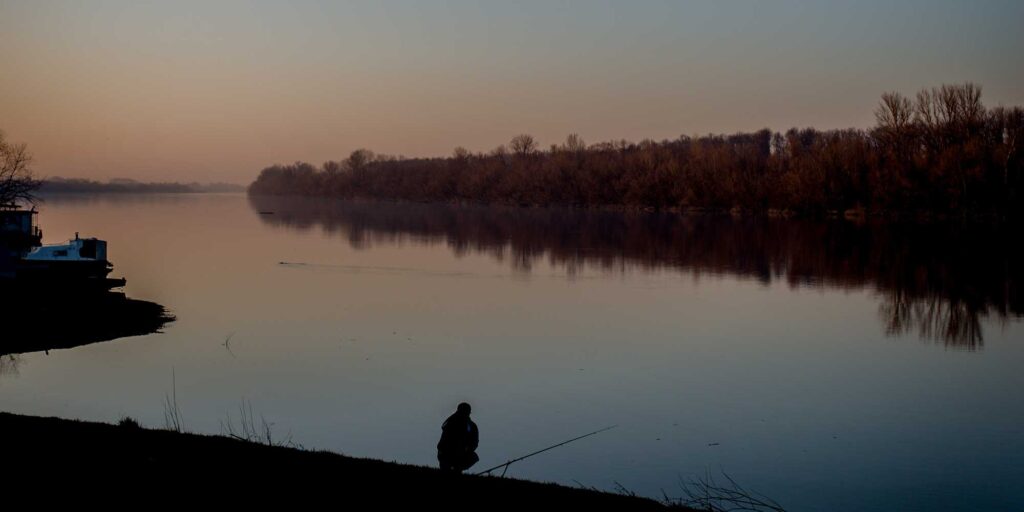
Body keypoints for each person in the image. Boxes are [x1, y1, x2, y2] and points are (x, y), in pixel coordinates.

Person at [437, 402, 479, 473]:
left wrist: (467, 450)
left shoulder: (470, 426)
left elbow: (474, 442)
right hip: (446, 453)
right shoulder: (451, 422)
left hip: (459, 454)